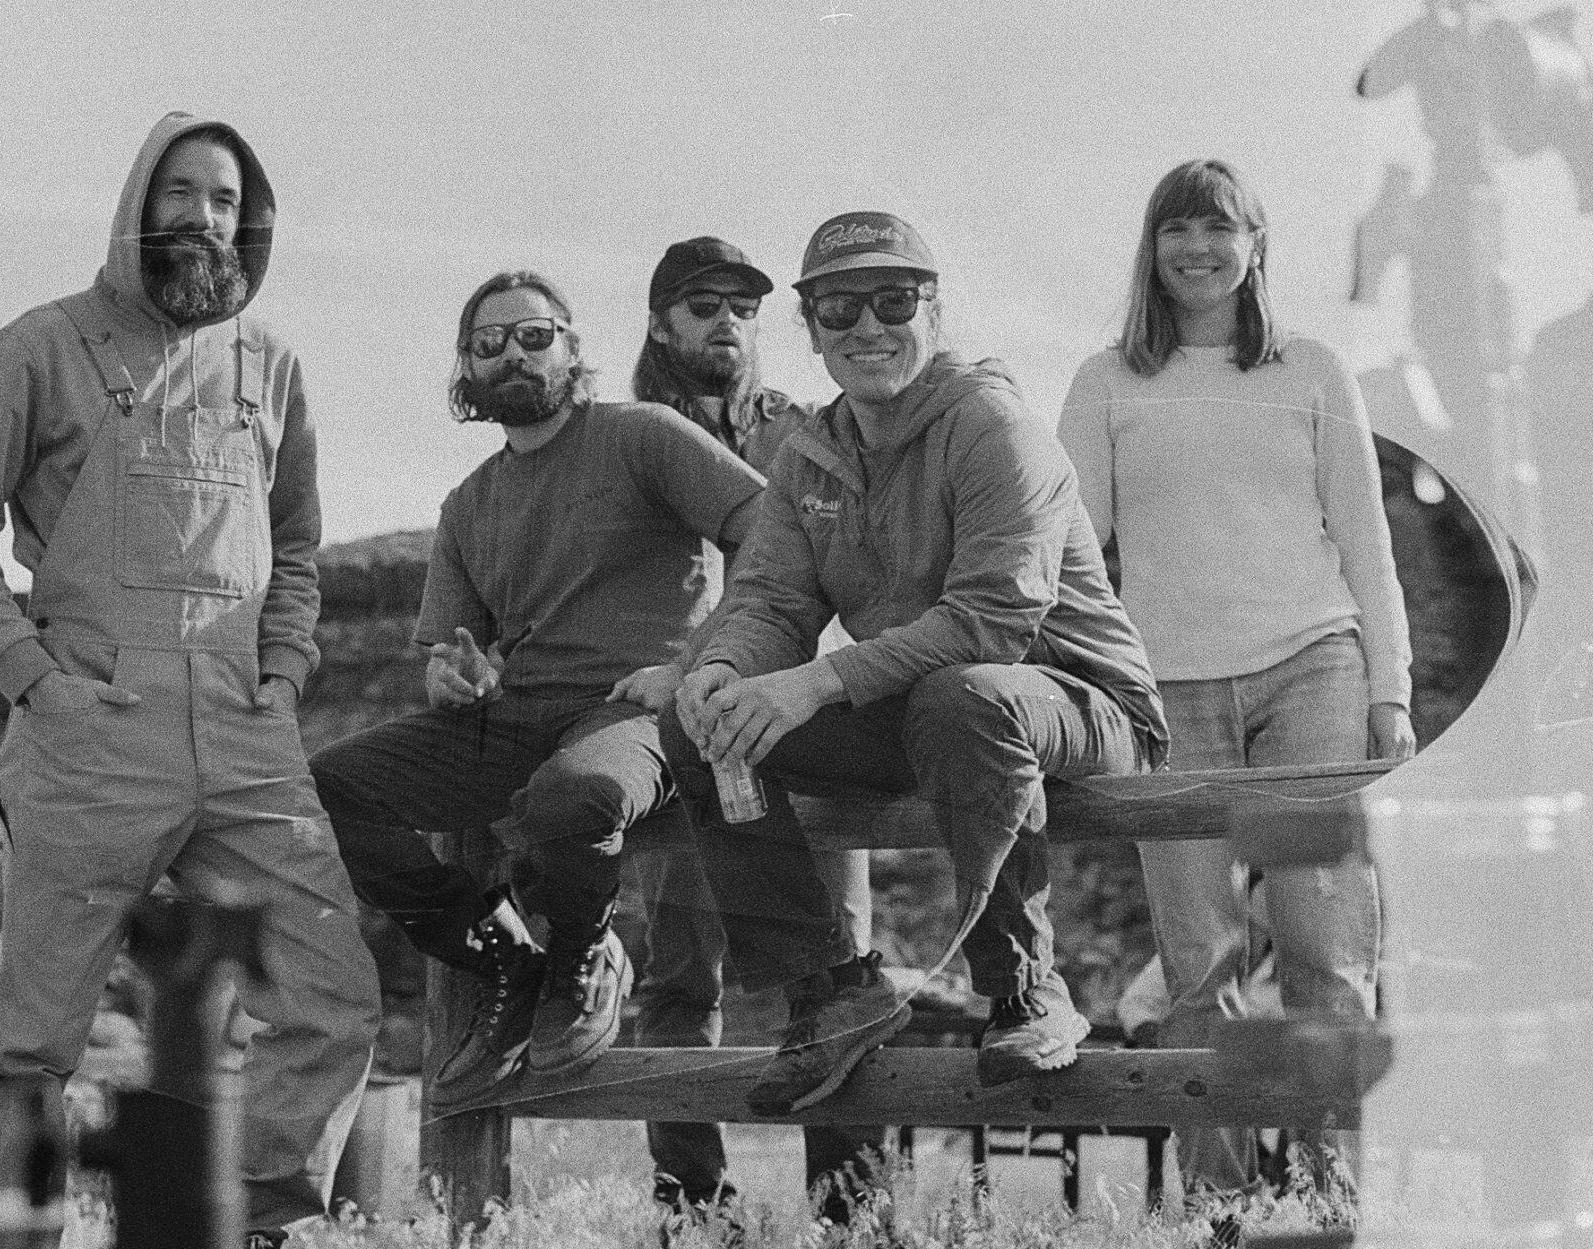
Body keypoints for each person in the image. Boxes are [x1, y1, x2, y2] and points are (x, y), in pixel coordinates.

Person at [0, 114, 379, 1249]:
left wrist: (283, 671)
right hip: (93, 725)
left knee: (330, 994)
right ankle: (9, 1234)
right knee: (38, 1033)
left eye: (225, 199)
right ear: (137, 201)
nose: (203, 217)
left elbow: (298, 543)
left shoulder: (271, 363)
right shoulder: (40, 347)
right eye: (181, 192)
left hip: (246, 732)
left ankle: (254, 1221)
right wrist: (36, 680)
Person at [659, 211, 1166, 1115]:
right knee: (699, 727)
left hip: (1081, 703)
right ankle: (830, 990)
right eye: (839, 307)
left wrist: (817, 680)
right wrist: (724, 670)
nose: (868, 326)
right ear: (811, 329)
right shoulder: (809, 456)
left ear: (934, 312)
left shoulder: (994, 426)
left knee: (963, 696)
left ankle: (1026, 987)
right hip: (928, 705)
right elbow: (771, 601)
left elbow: (991, 623)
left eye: (893, 300)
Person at [310, 270, 766, 1108]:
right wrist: (454, 677)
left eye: (534, 335)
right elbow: (448, 657)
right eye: (490, 342)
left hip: (632, 709)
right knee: (328, 786)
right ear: (468, 365)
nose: (514, 354)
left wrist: (700, 662)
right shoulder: (467, 504)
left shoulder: (643, 435)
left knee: (576, 793)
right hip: (515, 715)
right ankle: (504, 957)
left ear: (572, 346)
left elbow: (768, 531)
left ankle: (585, 955)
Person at [1058, 158, 1415, 1204]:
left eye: (1220, 228)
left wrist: (1389, 689)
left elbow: (1367, 539)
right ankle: (1217, 1205)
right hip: (1169, 693)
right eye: (1177, 228)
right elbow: (1072, 554)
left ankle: (1327, 1197)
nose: (1198, 248)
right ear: (1151, 247)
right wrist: (1094, 684)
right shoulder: (1106, 380)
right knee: (1197, 960)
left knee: (1324, 951)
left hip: (1312, 671)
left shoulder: (1312, 369)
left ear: (1255, 246)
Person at [617, 236, 887, 1230]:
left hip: (801, 723)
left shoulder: (809, 432)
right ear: (660, 323)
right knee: (681, 973)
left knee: (840, 964)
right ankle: (694, 1208)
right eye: (702, 303)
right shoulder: (630, 440)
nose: (726, 319)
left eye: (743, 304)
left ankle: (850, 1214)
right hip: (686, 733)